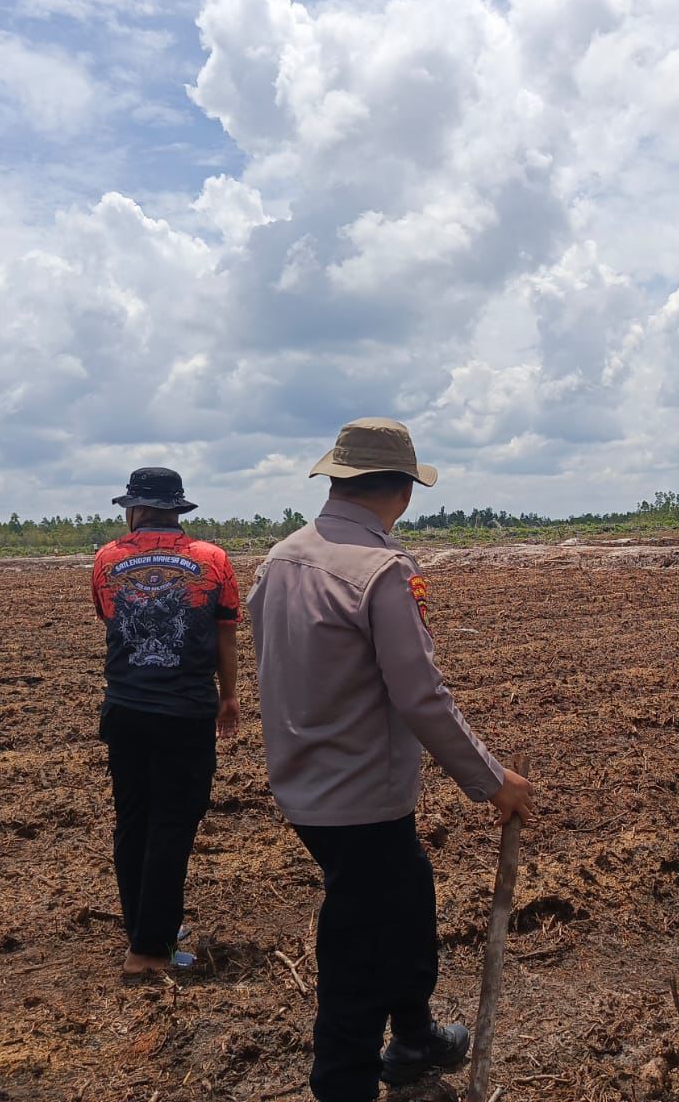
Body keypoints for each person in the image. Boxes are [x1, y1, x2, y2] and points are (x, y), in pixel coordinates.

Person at [247, 418, 534, 1102]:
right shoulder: (382, 570)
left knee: (406, 895)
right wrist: (493, 783)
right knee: (358, 953)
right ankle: (344, 1082)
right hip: (361, 800)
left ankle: (413, 1036)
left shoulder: (279, 559)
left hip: (306, 789)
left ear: (336, 479)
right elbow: (422, 697)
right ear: (402, 491)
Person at [91, 467, 241, 975]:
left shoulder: (107, 560)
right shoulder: (213, 561)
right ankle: (149, 949)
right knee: (173, 823)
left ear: (134, 510)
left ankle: (145, 924)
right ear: (177, 510)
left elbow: (109, 619)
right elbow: (225, 635)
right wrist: (231, 697)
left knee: (133, 820)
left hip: (126, 709)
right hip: (185, 711)